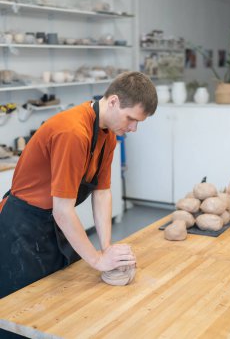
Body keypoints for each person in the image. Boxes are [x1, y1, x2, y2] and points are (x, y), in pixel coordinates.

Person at [0, 71, 157, 335]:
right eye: (131, 119)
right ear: (114, 101)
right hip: (22, 227)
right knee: (22, 314)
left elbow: (102, 193)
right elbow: (63, 210)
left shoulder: (106, 134)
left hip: (51, 222)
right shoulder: (73, 131)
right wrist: (96, 260)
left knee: (62, 302)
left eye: (139, 122)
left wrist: (107, 250)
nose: (133, 128)